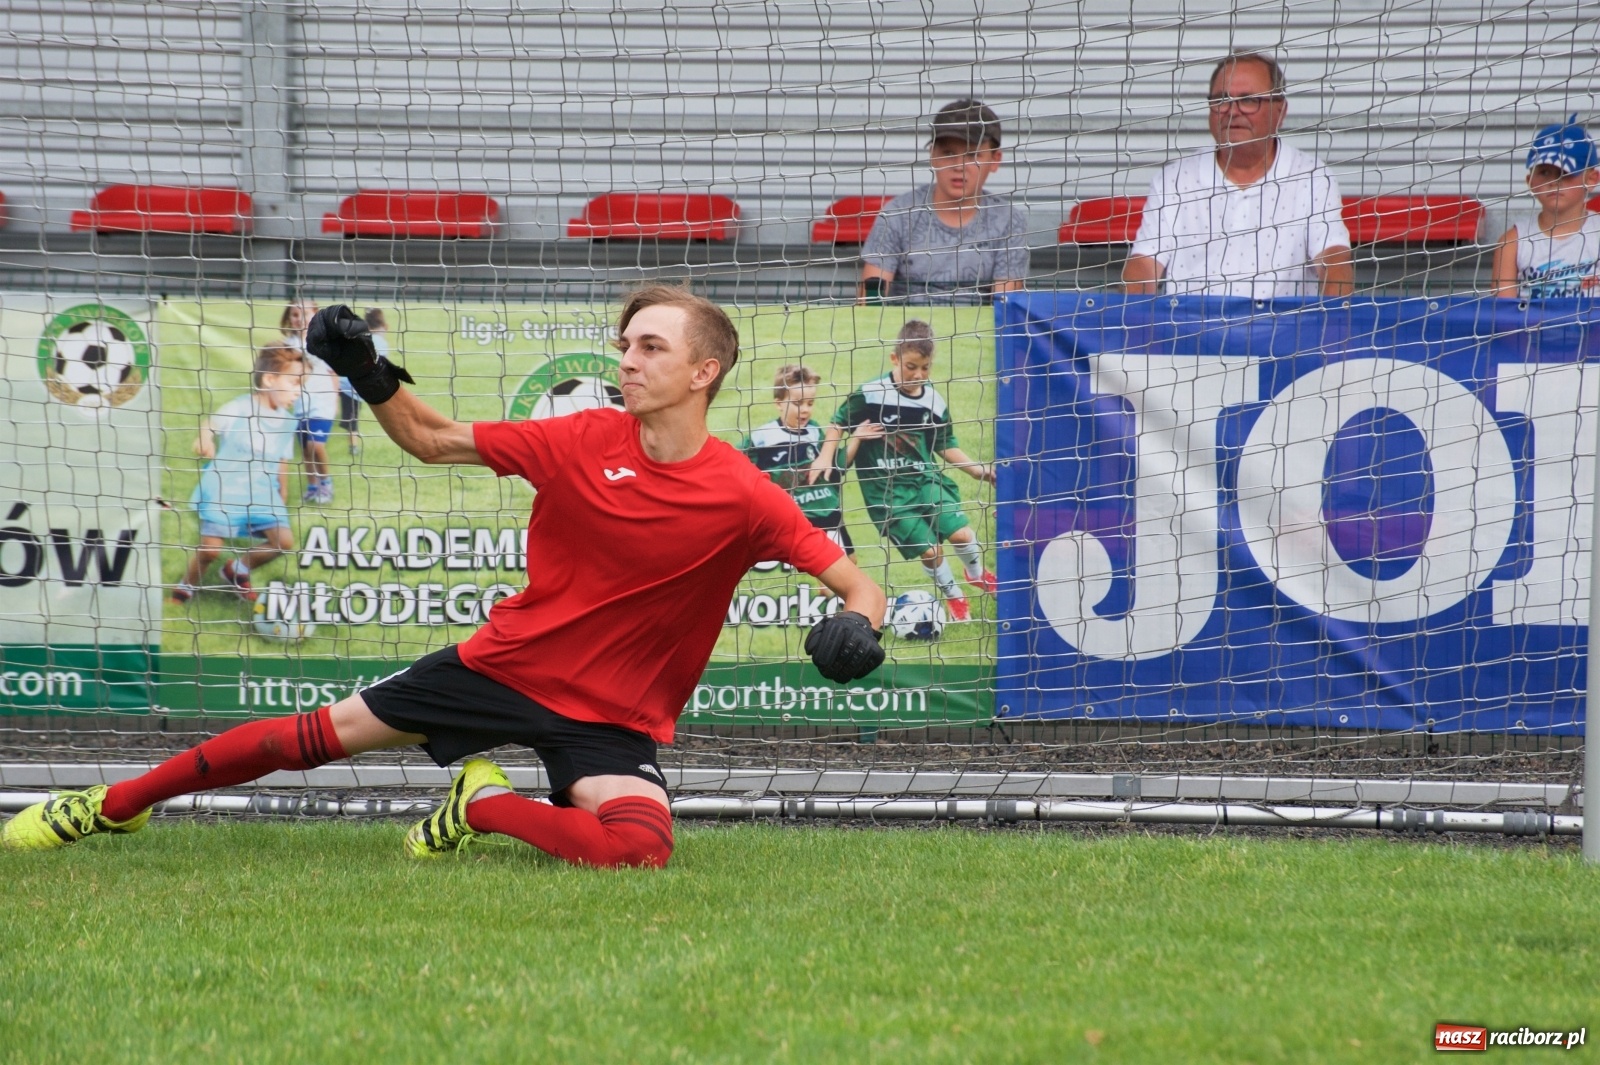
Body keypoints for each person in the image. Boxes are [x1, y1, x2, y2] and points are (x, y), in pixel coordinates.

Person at [3, 286, 889, 870]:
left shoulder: (741, 493)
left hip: (611, 716)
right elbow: (430, 439)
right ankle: (112, 802)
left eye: (650, 347)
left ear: (704, 371)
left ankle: (484, 803)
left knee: (640, 851)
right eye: (624, 343)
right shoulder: (576, 438)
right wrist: (364, 369)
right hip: (504, 665)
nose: (626, 359)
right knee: (300, 739)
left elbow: (859, 586)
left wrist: (859, 627)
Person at [1123, 51, 1355, 299]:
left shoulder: (1312, 177)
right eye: (1222, 99)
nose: (1232, 111)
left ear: (1280, 110)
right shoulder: (1175, 179)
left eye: (1249, 100)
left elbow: (1334, 259)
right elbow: (1144, 264)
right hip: (1191, 334)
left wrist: (1334, 324)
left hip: (1284, 334)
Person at [810, 321, 996, 623]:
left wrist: (978, 471)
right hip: (888, 495)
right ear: (895, 359)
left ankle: (976, 575)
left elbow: (944, 444)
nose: (918, 375)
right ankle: (955, 598)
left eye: (925, 368)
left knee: (962, 534)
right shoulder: (871, 393)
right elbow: (838, 423)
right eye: (911, 366)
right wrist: (825, 456)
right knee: (931, 552)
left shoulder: (933, 400)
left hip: (926, 481)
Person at [859, 99, 1030, 304]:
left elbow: (1005, 308)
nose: (959, 166)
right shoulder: (898, 214)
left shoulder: (1008, 221)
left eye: (972, 154)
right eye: (948, 153)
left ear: (995, 160)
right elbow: (868, 304)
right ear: (932, 156)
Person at [172, 343, 303, 605]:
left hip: (262, 492)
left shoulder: (289, 422)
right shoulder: (241, 407)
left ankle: (237, 570)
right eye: (294, 383)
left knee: (283, 542)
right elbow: (211, 423)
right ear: (269, 379)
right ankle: (184, 589)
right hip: (226, 489)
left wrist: (282, 488)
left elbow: (282, 457)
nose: (299, 391)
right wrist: (205, 439)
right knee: (210, 549)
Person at [740, 365, 859, 558]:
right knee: (834, 570)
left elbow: (835, 468)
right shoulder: (762, 437)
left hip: (827, 511)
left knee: (850, 563)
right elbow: (737, 468)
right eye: (798, 404)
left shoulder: (814, 431)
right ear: (779, 403)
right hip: (797, 517)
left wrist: (858, 438)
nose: (805, 410)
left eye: (810, 404)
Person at [1492, 116, 1600, 297]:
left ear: (1591, 180)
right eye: (1544, 172)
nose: (1554, 182)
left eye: (1565, 173)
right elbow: (1503, 317)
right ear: (1530, 181)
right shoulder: (1511, 243)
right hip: (1531, 326)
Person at [280, 298, 339, 505]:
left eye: (305, 314)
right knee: (306, 448)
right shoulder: (287, 345)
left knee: (316, 445)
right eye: (295, 314)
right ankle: (312, 486)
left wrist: (336, 396)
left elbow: (333, 372)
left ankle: (326, 483)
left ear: (315, 315)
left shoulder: (323, 341)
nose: (299, 318)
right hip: (300, 404)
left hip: (322, 403)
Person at [338, 308, 389, 457]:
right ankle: (353, 446)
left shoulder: (359, 336)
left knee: (350, 414)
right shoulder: (381, 342)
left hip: (345, 382)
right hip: (356, 385)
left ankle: (346, 433)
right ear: (382, 325)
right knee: (353, 416)